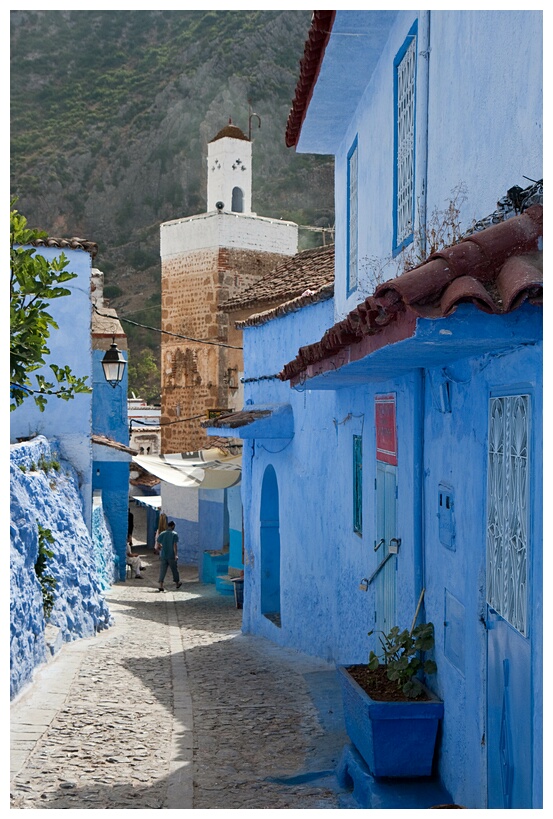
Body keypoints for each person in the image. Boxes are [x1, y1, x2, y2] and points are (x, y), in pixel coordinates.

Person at [156, 521, 181, 592]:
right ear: (173, 526)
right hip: (171, 555)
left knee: (162, 570)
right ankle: (177, 583)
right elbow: (174, 545)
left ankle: (161, 585)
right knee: (174, 570)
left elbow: (158, 544)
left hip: (164, 555)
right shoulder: (174, 534)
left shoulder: (162, 533)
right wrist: (176, 555)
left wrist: (162, 547)